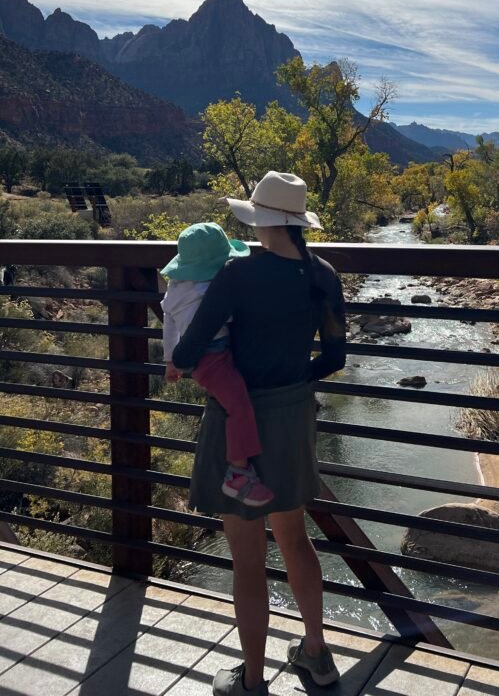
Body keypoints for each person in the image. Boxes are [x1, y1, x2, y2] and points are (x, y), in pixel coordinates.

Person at [172, 172, 347, 696]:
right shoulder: (325, 275)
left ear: (260, 218)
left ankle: (250, 681)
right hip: (293, 414)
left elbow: (189, 351)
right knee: (295, 539)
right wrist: (292, 386)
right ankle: (316, 655)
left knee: (247, 558)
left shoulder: (237, 277)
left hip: (236, 421)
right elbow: (335, 357)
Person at [161, 222, 274, 507]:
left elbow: (170, 325)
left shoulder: (175, 289)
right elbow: (225, 317)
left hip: (201, 359)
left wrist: (170, 361)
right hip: (213, 358)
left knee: (232, 402)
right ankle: (238, 472)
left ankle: (238, 467)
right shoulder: (206, 289)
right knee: (239, 405)